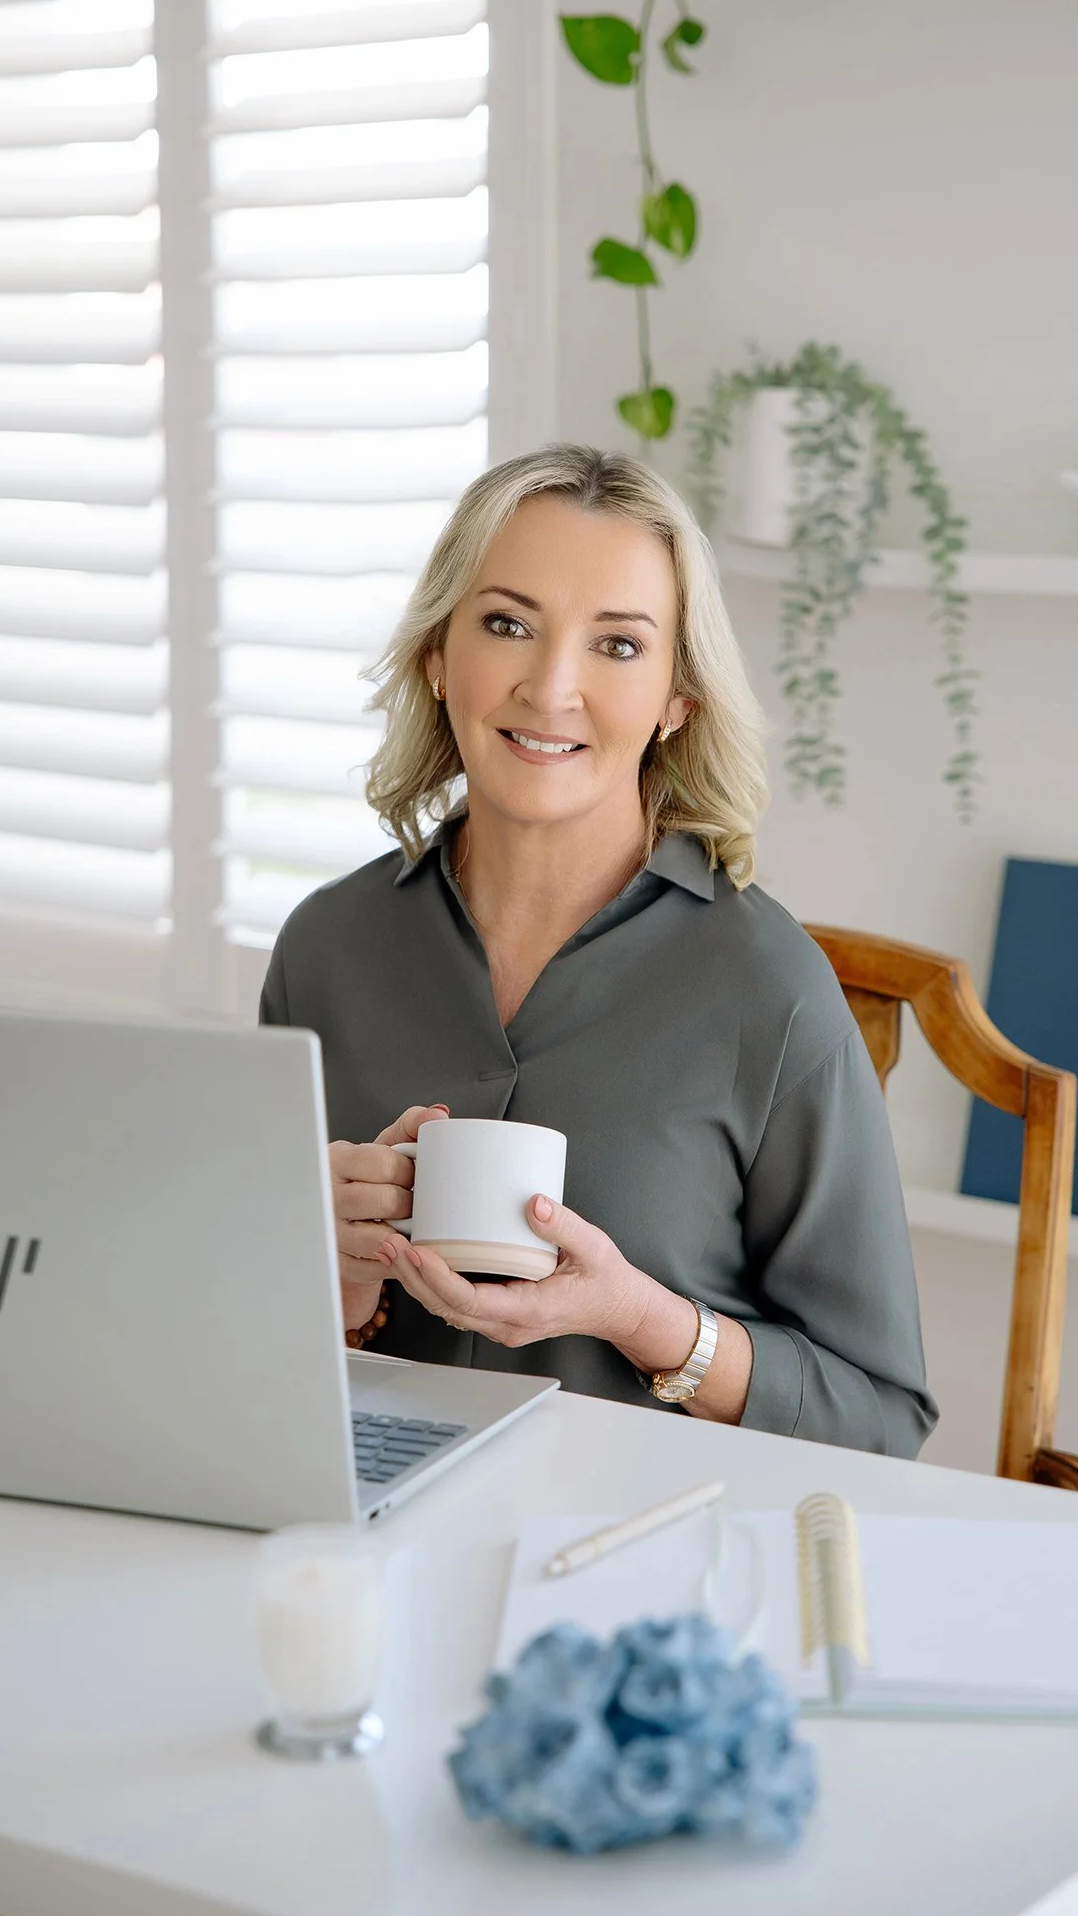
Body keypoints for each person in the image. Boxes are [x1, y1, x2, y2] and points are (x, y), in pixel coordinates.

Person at [260, 444, 937, 1456]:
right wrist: (342, 1280)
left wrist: (642, 1319)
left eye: (616, 646)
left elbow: (879, 1417)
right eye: (506, 624)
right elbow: (235, 1346)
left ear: (676, 698)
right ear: (436, 655)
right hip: (363, 1544)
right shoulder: (325, 947)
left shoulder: (767, 986)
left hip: (644, 1562)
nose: (550, 686)